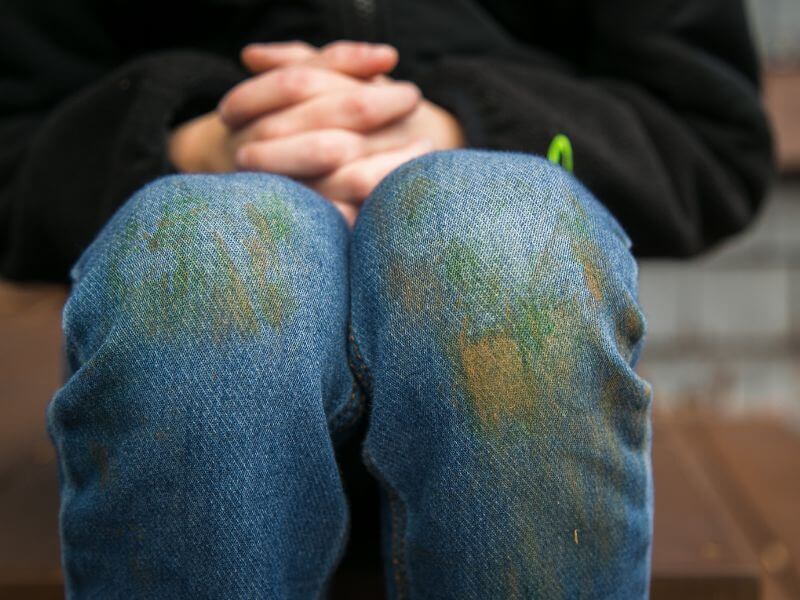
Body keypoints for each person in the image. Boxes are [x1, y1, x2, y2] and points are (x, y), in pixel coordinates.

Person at [0, 0, 773, 598]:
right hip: (186, 390)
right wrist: (187, 147)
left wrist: (474, 131)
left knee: (496, 233)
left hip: (517, 390)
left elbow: (707, 131)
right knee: (203, 249)